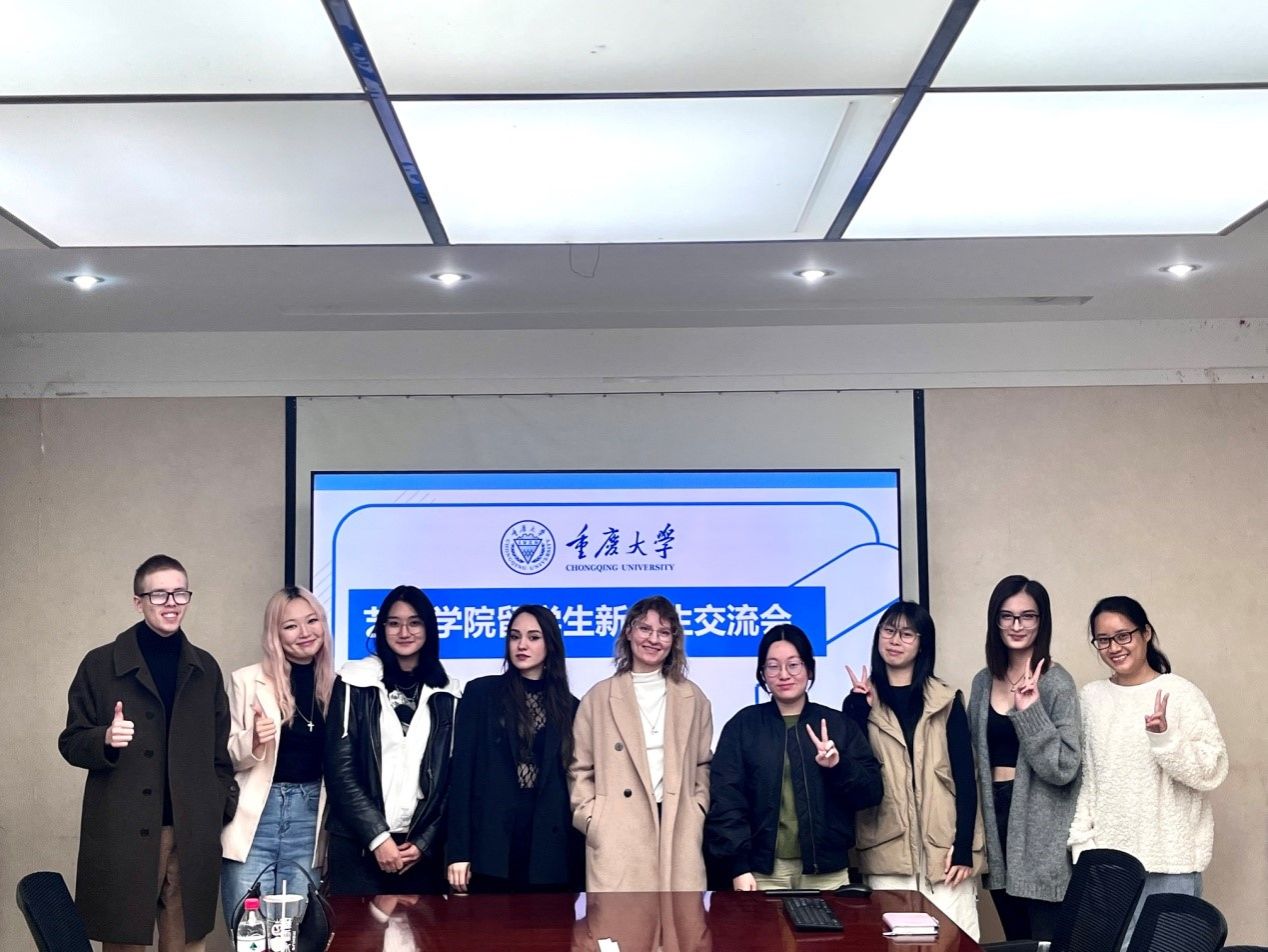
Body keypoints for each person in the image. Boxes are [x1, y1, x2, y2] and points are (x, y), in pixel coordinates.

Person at [59, 554, 236, 952]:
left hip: (191, 832)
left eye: (180, 593)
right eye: (159, 594)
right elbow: (70, 741)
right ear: (138, 602)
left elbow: (219, 754)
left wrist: (218, 805)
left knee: (188, 942)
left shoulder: (205, 668)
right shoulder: (101, 664)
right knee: (125, 942)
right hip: (125, 831)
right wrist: (105, 737)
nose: (171, 603)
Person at [1069, 595, 1227, 944]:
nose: (1114, 647)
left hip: (1172, 861)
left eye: (1123, 635)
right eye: (1103, 640)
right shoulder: (1091, 698)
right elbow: (1087, 778)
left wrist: (1165, 738)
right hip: (1111, 864)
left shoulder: (1180, 693)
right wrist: (1083, 844)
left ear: (1146, 633)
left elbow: (1211, 770)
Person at [844, 601, 984, 939]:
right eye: (889, 631)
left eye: (907, 634)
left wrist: (964, 847)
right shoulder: (860, 703)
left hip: (945, 853)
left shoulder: (946, 701)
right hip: (887, 854)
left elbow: (966, 779)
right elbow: (854, 780)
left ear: (923, 643)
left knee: (956, 944)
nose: (895, 640)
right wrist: (857, 712)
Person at [707, 624, 883, 890]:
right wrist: (738, 866)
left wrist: (838, 766)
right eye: (773, 666)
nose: (783, 675)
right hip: (762, 872)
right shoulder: (743, 726)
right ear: (762, 673)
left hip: (826, 871)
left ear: (809, 669)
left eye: (793, 665)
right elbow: (726, 800)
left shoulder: (837, 725)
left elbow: (871, 793)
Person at [569, 595, 713, 891]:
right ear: (628, 632)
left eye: (664, 632)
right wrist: (593, 820)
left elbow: (703, 764)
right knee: (620, 918)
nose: (653, 639)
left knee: (680, 918)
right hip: (617, 833)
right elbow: (579, 768)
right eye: (645, 629)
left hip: (678, 827)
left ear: (674, 640)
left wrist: (697, 808)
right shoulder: (598, 698)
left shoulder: (693, 698)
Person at [324, 585, 461, 895]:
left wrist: (424, 842)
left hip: (418, 852)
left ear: (429, 628)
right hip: (359, 845)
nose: (404, 632)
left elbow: (451, 782)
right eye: (394, 623)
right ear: (381, 627)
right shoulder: (354, 681)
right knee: (356, 928)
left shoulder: (448, 693)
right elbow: (339, 770)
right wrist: (377, 837)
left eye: (414, 622)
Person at [968, 576, 1081, 941]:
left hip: (1040, 829)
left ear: (1041, 621)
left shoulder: (1057, 683)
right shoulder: (983, 682)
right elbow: (971, 758)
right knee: (1015, 939)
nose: (1017, 626)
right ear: (995, 621)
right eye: (1007, 616)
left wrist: (1030, 711)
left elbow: (1064, 768)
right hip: (995, 820)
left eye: (1027, 616)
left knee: (1045, 942)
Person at [447, 604, 583, 893]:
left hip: (550, 849)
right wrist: (458, 851)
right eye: (514, 636)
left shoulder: (571, 708)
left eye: (533, 637)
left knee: (547, 923)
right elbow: (461, 776)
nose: (522, 645)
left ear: (550, 644)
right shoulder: (481, 694)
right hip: (491, 843)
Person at [220, 586, 335, 924]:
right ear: (275, 633)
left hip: (310, 818)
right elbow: (223, 757)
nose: (305, 632)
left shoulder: (339, 686)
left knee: (297, 932)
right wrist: (253, 740)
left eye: (312, 620)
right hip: (257, 815)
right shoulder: (246, 681)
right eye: (290, 626)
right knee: (249, 931)